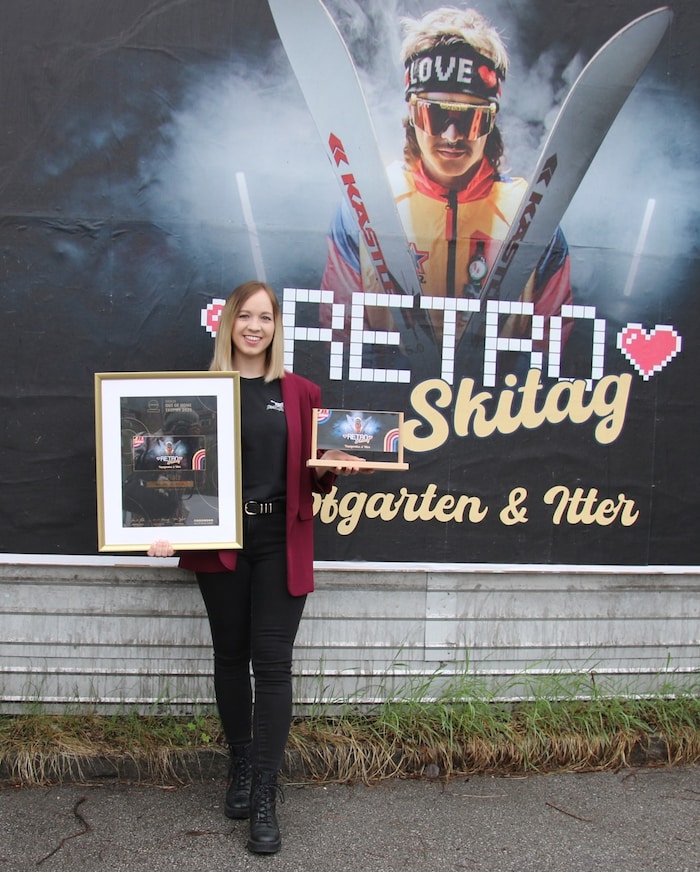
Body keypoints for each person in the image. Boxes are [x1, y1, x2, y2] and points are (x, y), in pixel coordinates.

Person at [149, 280, 368, 855]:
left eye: (265, 318)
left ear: (276, 327)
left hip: (278, 538)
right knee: (230, 653)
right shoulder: (198, 393)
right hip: (219, 537)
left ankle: (266, 792)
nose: (255, 326)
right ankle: (241, 765)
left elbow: (312, 471)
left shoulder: (300, 392)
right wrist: (159, 528)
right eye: (245, 316)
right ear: (229, 325)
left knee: (273, 664)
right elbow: (171, 472)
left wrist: (334, 468)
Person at [321, 6, 572, 377]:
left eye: (470, 118)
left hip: (492, 420)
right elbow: (342, 339)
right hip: (392, 418)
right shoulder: (365, 207)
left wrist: (497, 411)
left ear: (492, 119)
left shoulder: (532, 216)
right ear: (411, 113)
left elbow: (546, 351)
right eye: (435, 115)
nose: (452, 137)